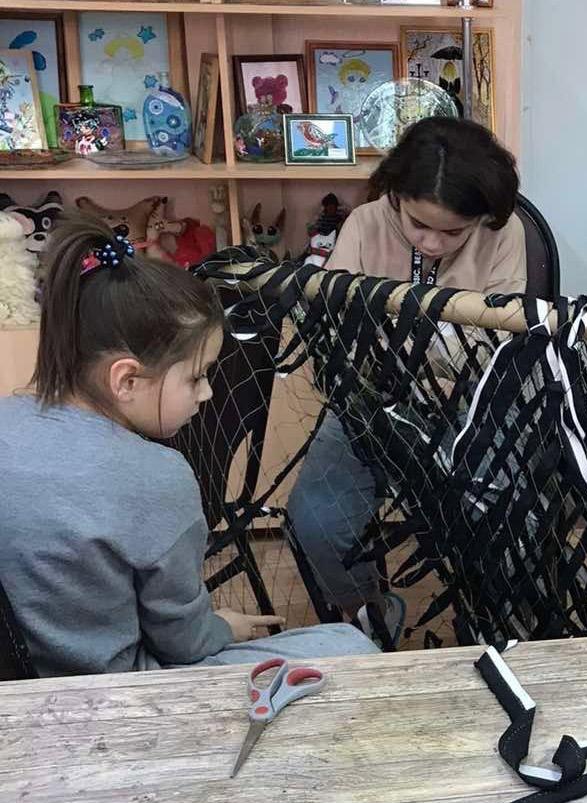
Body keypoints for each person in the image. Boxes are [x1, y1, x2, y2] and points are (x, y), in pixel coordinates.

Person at [0, 215, 378, 677]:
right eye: (196, 376)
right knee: (349, 645)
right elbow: (182, 642)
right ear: (126, 379)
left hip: (20, 679)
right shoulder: (155, 476)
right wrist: (221, 627)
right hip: (110, 692)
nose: (207, 393)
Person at [286, 117, 527, 645]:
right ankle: (371, 609)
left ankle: (488, 619)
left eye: (454, 231)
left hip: (472, 401)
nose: (435, 243)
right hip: (370, 399)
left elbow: (500, 341)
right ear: (395, 194)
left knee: (504, 516)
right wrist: (437, 340)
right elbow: (342, 335)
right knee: (316, 522)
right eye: (420, 226)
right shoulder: (366, 224)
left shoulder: (501, 231)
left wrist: (412, 340)